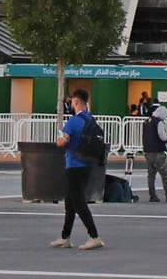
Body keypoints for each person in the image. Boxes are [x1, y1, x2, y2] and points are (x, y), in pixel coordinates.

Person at [51, 88, 105, 251]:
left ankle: (94, 236)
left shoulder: (73, 121)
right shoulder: (90, 119)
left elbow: (62, 142)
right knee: (70, 201)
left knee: (79, 202)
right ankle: (65, 236)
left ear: (75, 102)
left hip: (74, 164)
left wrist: (59, 139)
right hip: (87, 164)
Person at [140, 100, 167, 203]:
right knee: (165, 173)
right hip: (157, 151)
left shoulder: (147, 121)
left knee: (151, 175)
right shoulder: (159, 122)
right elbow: (161, 134)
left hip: (148, 151)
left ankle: (152, 195)